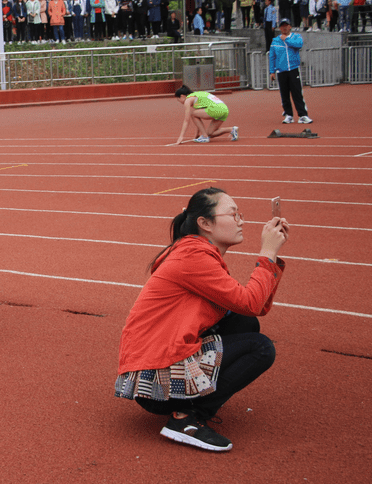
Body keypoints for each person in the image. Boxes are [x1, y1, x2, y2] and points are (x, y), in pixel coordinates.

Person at [115, 187, 287, 452]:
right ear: (205, 223)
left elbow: (254, 307)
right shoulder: (193, 257)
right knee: (260, 348)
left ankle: (186, 407)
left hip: (156, 366)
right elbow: (251, 301)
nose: (241, 220)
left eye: (240, 213)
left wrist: (271, 257)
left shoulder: (196, 253)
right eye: (233, 214)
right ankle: (187, 419)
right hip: (155, 383)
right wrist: (267, 252)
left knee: (245, 323)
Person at [269, 19, 311, 124]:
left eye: (286, 25)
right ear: (279, 28)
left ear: (290, 26)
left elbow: (299, 45)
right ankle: (288, 115)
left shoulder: (296, 37)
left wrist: (286, 39)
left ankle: (302, 115)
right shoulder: (275, 41)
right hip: (281, 71)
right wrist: (272, 71)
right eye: (282, 26)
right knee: (284, 94)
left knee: (297, 92)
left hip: (293, 69)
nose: (284, 28)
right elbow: (272, 56)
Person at [173, 85, 238, 144]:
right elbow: (198, 117)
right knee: (210, 133)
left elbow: (187, 120)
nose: (180, 102)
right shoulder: (197, 95)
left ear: (182, 96)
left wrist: (181, 136)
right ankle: (231, 129)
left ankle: (204, 137)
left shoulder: (188, 100)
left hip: (216, 109)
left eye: (179, 100)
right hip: (224, 109)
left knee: (192, 114)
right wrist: (197, 133)